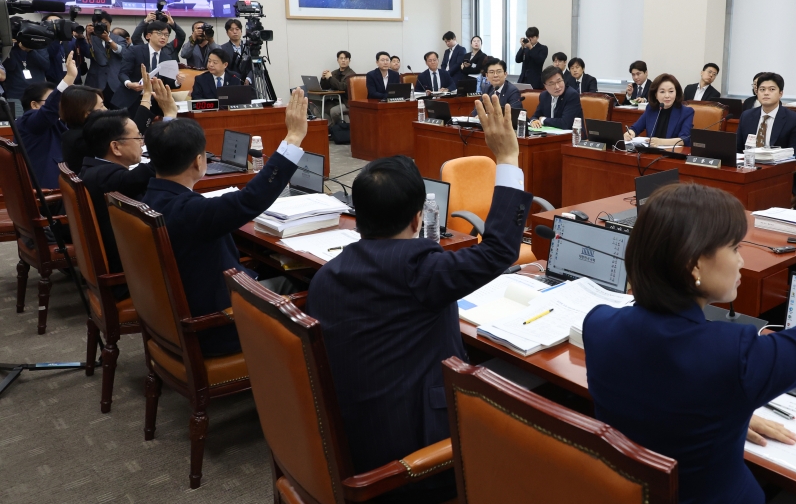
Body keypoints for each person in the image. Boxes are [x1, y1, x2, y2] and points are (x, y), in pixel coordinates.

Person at [584, 133, 796, 504]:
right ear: (693, 263)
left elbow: (661, 404)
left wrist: (727, 417)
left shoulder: (598, 325)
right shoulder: (735, 358)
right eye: (734, 247)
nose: (742, 259)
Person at [306, 93, 531, 504]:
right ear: (417, 219)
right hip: (416, 456)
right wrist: (508, 159)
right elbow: (500, 250)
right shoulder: (421, 273)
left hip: (352, 434)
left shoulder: (326, 276)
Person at [141, 89, 308, 356]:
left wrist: (170, 119)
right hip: (218, 327)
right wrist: (294, 137)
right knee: (307, 285)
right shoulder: (191, 212)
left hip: (174, 317)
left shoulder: (148, 197)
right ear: (198, 161)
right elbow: (250, 200)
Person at [80, 87, 177, 281]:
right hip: (133, 274)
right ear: (115, 147)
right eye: (138, 137)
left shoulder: (93, 168)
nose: (142, 143)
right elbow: (160, 164)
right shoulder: (113, 179)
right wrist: (170, 117)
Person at [60, 76, 172, 173]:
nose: (106, 109)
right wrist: (169, 114)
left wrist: (147, 94)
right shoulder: (84, 139)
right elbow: (128, 132)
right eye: (102, 106)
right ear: (86, 113)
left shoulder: (70, 134)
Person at [736, 72, 796, 199]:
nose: (766, 93)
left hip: (777, 176)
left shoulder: (794, 120)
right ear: (757, 92)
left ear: (781, 93)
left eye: (771, 89)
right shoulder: (747, 116)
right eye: (762, 89)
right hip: (747, 172)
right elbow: (737, 149)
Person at [16, 56, 77, 189]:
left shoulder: (55, 122)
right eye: (50, 100)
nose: (60, 104)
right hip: (47, 192)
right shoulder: (28, 121)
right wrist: (69, 77)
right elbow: (50, 110)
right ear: (34, 105)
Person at [112, 21, 183, 112]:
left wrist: (177, 81)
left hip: (153, 101)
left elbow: (169, 82)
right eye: (159, 33)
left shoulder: (167, 58)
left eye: (166, 35)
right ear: (148, 36)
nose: (163, 37)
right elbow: (123, 73)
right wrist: (129, 84)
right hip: (130, 99)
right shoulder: (134, 51)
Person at [624, 74, 695, 148]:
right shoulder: (651, 109)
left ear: (676, 93)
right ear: (655, 95)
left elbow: (685, 139)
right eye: (662, 92)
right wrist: (630, 133)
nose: (667, 96)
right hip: (651, 154)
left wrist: (660, 142)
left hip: (673, 156)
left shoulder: (686, 112)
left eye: (671, 91)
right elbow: (636, 128)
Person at [530, 65, 583, 130]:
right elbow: (536, 116)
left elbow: (565, 123)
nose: (557, 87)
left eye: (559, 81)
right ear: (545, 86)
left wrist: (543, 120)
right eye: (552, 83)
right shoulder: (544, 96)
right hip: (549, 135)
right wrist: (534, 121)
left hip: (572, 136)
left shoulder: (571, 95)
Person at [320, 50, 356, 124]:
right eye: (341, 58)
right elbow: (324, 87)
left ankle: (336, 128)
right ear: (337, 60)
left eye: (346, 58)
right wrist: (323, 78)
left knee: (334, 111)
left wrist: (330, 77)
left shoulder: (351, 74)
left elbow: (342, 87)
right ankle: (331, 128)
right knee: (317, 108)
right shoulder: (334, 73)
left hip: (346, 102)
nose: (343, 60)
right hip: (335, 100)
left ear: (349, 61)